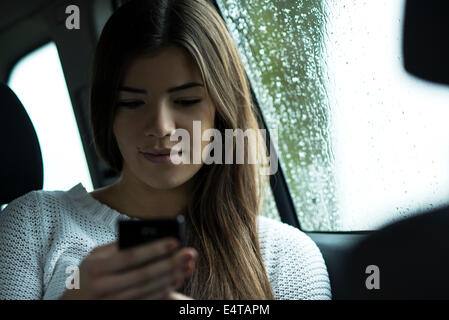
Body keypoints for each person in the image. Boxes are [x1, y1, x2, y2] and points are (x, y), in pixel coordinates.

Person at [0, 0, 331, 300]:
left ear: (221, 109)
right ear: (106, 113)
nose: (160, 126)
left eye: (186, 101)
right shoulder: (31, 225)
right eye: (132, 103)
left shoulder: (288, 257)